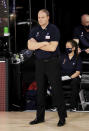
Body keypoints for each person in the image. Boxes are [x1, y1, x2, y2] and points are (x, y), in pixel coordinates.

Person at [28, 9, 67, 127]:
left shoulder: (53, 29)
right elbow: (30, 46)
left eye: (43, 17)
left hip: (52, 63)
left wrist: (37, 45)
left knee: (56, 90)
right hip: (39, 63)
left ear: (48, 17)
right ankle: (40, 117)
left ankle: (62, 117)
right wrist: (44, 43)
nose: (40, 19)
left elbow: (52, 48)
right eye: (39, 17)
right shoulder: (34, 30)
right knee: (40, 91)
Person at [61, 40, 82, 111]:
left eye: (68, 47)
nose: (66, 48)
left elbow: (78, 72)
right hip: (62, 78)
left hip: (72, 78)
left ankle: (73, 106)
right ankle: (56, 106)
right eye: (66, 47)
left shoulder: (77, 58)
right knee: (55, 82)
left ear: (73, 48)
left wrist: (69, 77)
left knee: (75, 82)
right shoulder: (62, 57)